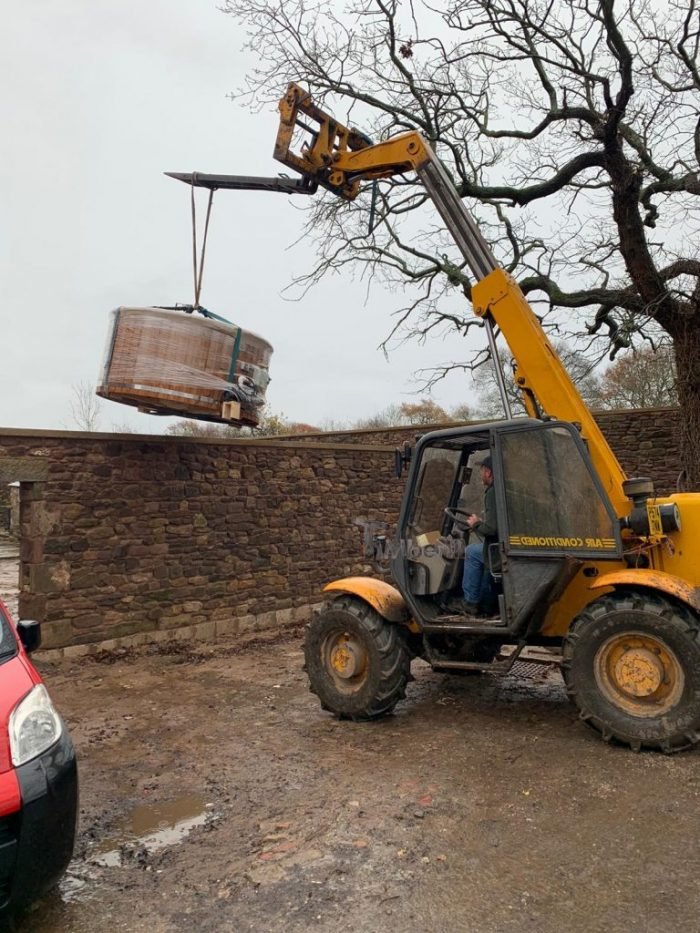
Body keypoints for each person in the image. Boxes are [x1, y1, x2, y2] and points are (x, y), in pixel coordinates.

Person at [461, 455, 498, 615]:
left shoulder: (493, 492)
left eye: (482, 471)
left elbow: (492, 529)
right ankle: (484, 602)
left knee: (471, 552)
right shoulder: (504, 489)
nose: (481, 474)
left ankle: (470, 602)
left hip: (499, 550)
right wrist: (480, 524)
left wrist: (476, 524)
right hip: (501, 545)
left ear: (488, 472)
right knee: (479, 550)